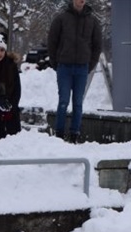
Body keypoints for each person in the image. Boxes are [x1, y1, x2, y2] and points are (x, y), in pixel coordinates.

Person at [47, 0, 102, 143]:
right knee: (63, 101)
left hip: (82, 68)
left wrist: (90, 64)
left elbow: (97, 45)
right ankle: (59, 135)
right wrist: (56, 63)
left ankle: (74, 135)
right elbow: (52, 42)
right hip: (64, 67)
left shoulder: (92, 21)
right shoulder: (61, 18)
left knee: (78, 103)